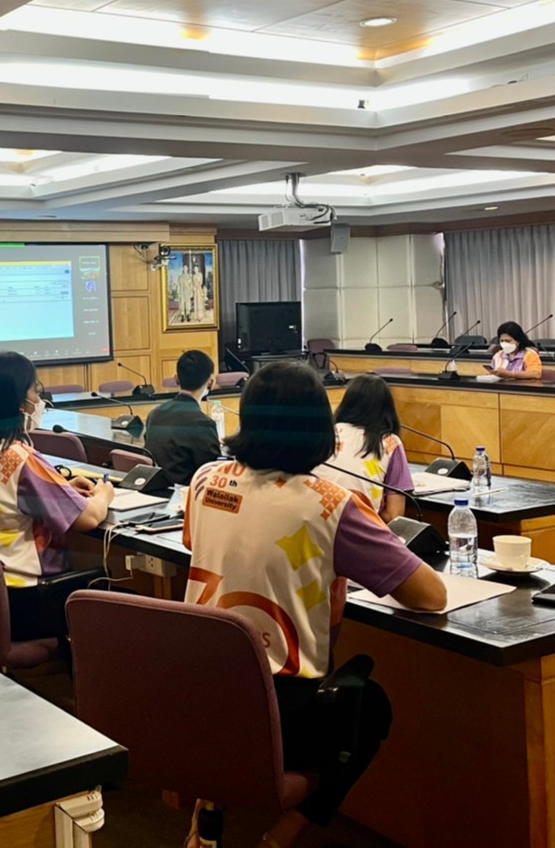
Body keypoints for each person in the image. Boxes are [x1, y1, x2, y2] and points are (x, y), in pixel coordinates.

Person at [183, 360, 445, 847]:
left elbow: (203, 544)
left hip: (200, 691)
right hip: (278, 704)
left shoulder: (204, 481)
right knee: (371, 709)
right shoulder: (331, 503)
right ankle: (280, 838)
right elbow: (431, 596)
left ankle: (211, 801)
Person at [0, 351, 115, 639]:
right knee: (121, 591)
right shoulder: (19, 457)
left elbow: (6, 497)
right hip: (30, 602)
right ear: (18, 402)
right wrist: (104, 493)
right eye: (36, 391)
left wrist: (61, 489)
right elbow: (89, 518)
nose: (39, 400)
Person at [331, 373, 414, 522]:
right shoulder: (390, 442)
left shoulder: (328, 433)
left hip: (317, 525)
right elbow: (394, 516)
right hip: (360, 529)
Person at [143, 349, 221, 488]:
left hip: (157, 490)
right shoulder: (202, 423)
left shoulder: (154, 414)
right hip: (186, 494)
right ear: (211, 382)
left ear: (176, 379)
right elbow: (214, 475)